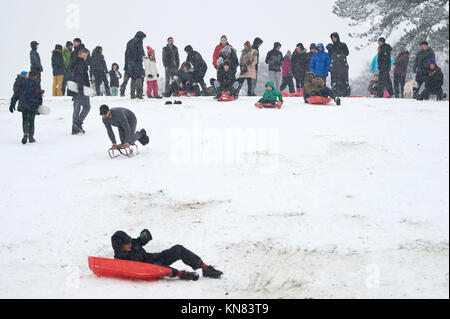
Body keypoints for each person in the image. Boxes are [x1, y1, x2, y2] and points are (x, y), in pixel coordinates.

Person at [111, 230, 223, 281]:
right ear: (119, 246)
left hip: (155, 257)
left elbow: (139, 241)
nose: (130, 244)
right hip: (151, 267)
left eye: (130, 242)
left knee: (178, 249)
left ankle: (206, 268)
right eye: (127, 244)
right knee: (163, 268)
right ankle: (182, 274)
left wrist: (144, 236)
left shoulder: (132, 243)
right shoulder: (121, 258)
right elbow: (132, 271)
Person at [10, 70, 43, 144]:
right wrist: (39, 106)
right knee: (31, 121)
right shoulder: (36, 83)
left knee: (25, 120)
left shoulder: (22, 83)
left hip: (24, 105)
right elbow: (39, 96)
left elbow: (16, 94)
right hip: (33, 105)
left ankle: (25, 133)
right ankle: (31, 137)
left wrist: (12, 104)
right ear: (35, 76)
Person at [67, 48, 91, 135]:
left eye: (86, 56)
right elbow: (79, 78)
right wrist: (81, 90)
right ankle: (78, 123)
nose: (85, 57)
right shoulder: (80, 63)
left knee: (76, 108)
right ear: (80, 55)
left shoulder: (73, 63)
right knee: (87, 107)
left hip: (74, 89)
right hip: (81, 89)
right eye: (84, 56)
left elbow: (71, 76)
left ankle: (74, 128)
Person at [126, 31, 147, 99]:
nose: (143, 39)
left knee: (133, 77)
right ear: (141, 36)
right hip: (137, 61)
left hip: (130, 61)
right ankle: (139, 94)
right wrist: (143, 56)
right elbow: (141, 49)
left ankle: (132, 94)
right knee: (139, 76)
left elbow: (126, 53)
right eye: (143, 37)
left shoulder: (129, 42)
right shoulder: (139, 41)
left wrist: (126, 63)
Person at [328, 32, 350, 97]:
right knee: (334, 81)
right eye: (332, 38)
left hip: (343, 66)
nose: (334, 39)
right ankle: (335, 94)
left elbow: (347, 52)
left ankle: (345, 94)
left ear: (337, 37)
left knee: (344, 80)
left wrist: (340, 55)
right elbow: (329, 56)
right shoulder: (331, 47)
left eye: (335, 38)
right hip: (334, 67)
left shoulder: (343, 45)